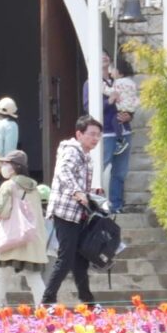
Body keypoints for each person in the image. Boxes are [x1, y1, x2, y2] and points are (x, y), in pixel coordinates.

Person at [41, 115, 109, 306]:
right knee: (66, 257)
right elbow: (63, 172)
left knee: (80, 259)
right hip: (66, 212)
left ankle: (87, 300)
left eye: (98, 135)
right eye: (92, 134)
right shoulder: (72, 150)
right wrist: (77, 191)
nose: (95, 139)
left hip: (78, 213)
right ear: (79, 134)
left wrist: (90, 192)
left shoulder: (85, 155)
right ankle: (47, 301)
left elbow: (74, 178)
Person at [0, 149, 48, 309]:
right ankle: (43, 313)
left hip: (11, 239)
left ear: (14, 167)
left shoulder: (8, 185)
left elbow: (1, 211)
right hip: (31, 239)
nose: (3, 166)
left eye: (6, 163)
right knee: (35, 279)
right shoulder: (34, 188)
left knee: (0, 279)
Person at [101, 59, 140, 211]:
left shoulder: (117, 83)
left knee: (120, 171)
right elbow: (88, 106)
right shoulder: (91, 83)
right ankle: (103, 203)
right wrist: (109, 102)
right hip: (106, 133)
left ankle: (116, 204)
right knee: (102, 167)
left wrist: (129, 116)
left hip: (124, 130)